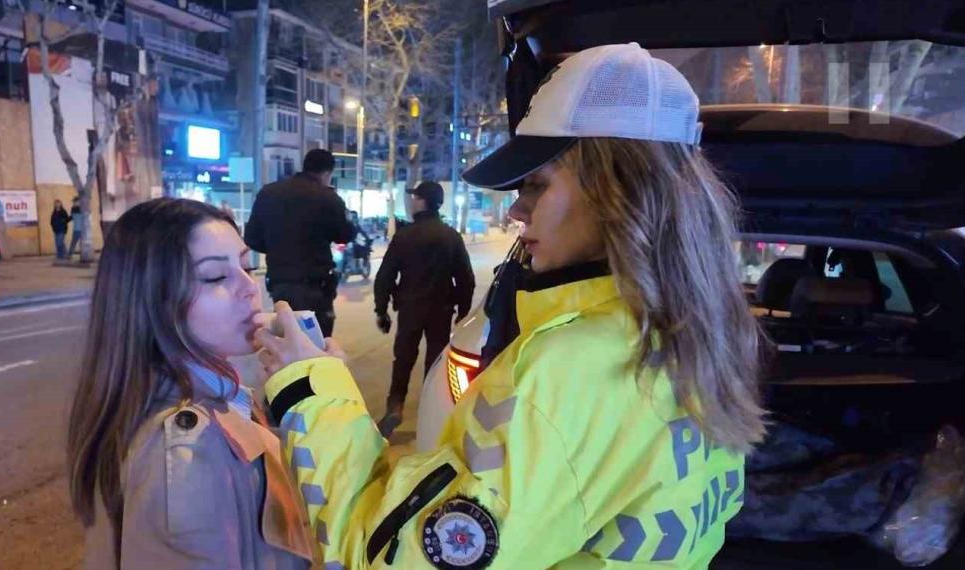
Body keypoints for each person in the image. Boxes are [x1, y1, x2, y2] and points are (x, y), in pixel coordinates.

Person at [254, 44, 766, 568]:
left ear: (617, 191)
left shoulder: (568, 371)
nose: (516, 210)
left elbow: (389, 559)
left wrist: (308, 391)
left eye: (536, 185)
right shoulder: (697, 335)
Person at [68, 199, 315, 569]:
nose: (250, 287)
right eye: (216, 277)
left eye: (247, 265)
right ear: (154, 301)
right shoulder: (186, 454)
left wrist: (308, 396)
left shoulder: (219, 398)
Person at [374, 181, 474, 437]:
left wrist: (381, 309)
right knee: (435, 363)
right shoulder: (451, 236)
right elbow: (465, 279)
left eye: (415, 198)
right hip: (441, 310)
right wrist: (463, 312)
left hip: (410, 309)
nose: (412, 202)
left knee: (404, 359)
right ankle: (432, 412)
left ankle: (395, 406)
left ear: (422, 201)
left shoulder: (404, 236)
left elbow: (385, 276)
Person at [245, 148, 355, 336]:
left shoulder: (268, 193)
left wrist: (277, 248)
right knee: (317, 346)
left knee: (286, 339)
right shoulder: (328, 198)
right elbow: (345, 235)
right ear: (327, 173)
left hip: (280, 285)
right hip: (316, 287)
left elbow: (252, 238)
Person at [67, 196, 84, 261]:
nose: (74, 203)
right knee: (73, 242)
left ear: (79, 202)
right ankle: (69, 255)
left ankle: (83, 255)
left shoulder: (82, 208)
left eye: (75, 202)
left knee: (82, 243)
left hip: (82, 230)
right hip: (76, 229)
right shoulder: (73, 209)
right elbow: (72, 217)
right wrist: (65, 220)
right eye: (73, 202)